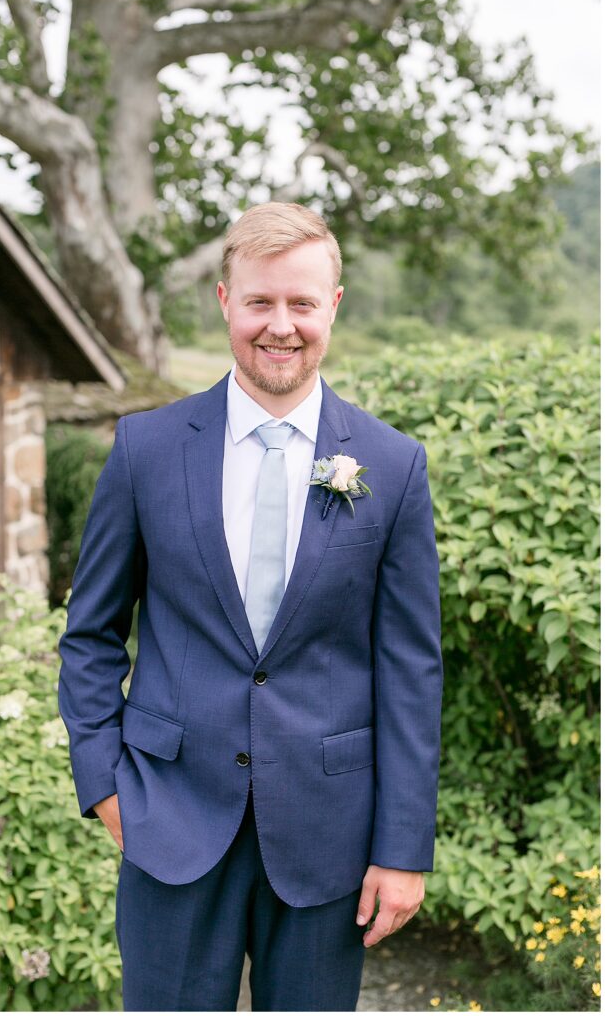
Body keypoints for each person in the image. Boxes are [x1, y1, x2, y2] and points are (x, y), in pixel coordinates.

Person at [58, 201, 444, 1012]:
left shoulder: (393, 466)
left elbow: (410, 670)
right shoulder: (146, 450)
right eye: (261, 301)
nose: (281, 325)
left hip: (327, 828)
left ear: (333, 305)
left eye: (301, 303)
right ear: (226, 302)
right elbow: (90, 635)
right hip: (168, 815)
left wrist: (403, 848)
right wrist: (104, 782)